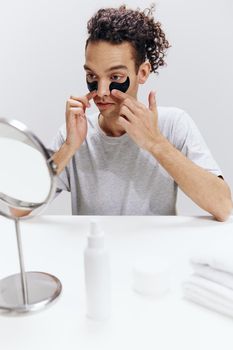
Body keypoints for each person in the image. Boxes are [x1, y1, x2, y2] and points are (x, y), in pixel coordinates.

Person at [50, 5, 232, 220]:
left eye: (116, 78)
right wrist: (69, 148)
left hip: (157, 252)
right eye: (92, 77)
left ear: (142, 72)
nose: (101, 92)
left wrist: (155, 143)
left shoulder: (172, 125)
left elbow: (223, 206)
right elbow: (18, 208)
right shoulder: (75, 135)